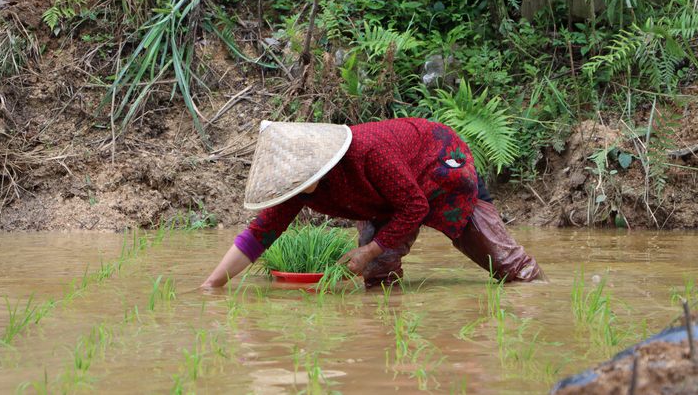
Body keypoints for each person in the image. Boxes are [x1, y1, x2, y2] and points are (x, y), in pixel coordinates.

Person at [201, 118, 543, 289]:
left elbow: (414, 207)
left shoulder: (369, 153)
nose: (297, 190)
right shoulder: (300, 185)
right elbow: (259, 234)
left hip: (441, 167)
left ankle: (539, 291)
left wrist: (368, 250)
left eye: (301, 181)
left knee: (508, 267)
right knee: (378, 276)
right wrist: (211, 285)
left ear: (318, 163)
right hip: (386, 199)